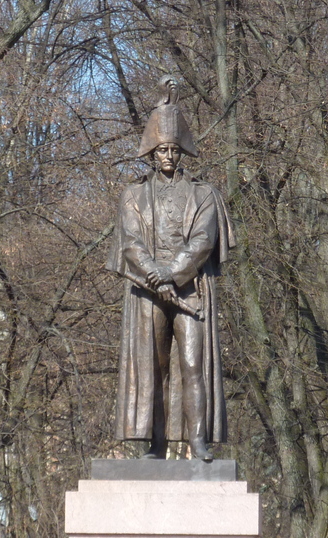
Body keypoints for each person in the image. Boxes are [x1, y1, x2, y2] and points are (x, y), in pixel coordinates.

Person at [107, 76, 235, 461]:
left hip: (191, 290)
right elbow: (131, 244)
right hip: (147, 292)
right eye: (162, 150)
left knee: (193, 364)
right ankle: (156, 443)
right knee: (154, 368)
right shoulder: (133, 195)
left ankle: (198, 441)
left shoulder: (204, 194)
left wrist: (171, 274)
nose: (168, 156)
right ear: (152, 153)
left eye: (174, 149)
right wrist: (154, 276)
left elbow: (202, 241)